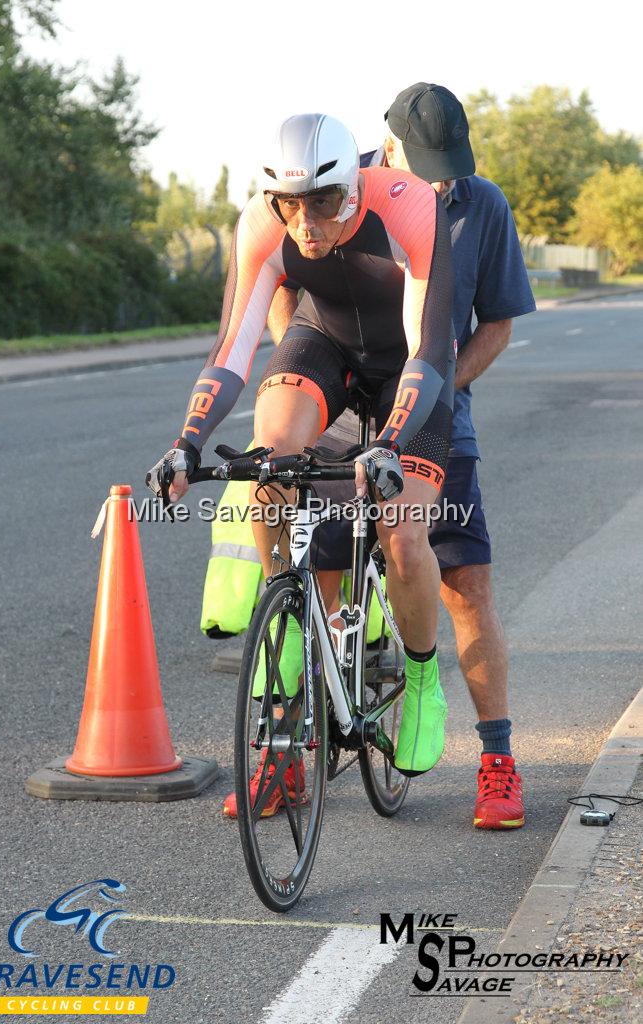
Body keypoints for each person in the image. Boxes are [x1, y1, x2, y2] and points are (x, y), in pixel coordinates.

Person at [148, 112, 457, 817]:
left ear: (353, 185)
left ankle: (420, 679)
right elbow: (231, 349)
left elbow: (430, 348)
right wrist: (186, 441)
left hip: (411, 367)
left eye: (323, 202)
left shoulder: (406, 204)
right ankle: (286, 611)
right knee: (268, 453)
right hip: (325, 346)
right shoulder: (261, 223)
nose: (306, 222)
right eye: (290, 204)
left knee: (404, 536)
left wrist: (389, 439)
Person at [267, 84, 536, 830]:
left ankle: (497, 761)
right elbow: (280, 287)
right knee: (312, 574)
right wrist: (299, 360)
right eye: (427, 167)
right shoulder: (334, 192)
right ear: (384, 153)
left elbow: (497, 325)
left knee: (464, 583)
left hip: (431, 407)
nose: (442, 181)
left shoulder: (481, 206)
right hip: (338, 405)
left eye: (451, 166)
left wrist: (434, 394)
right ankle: (285, 754)